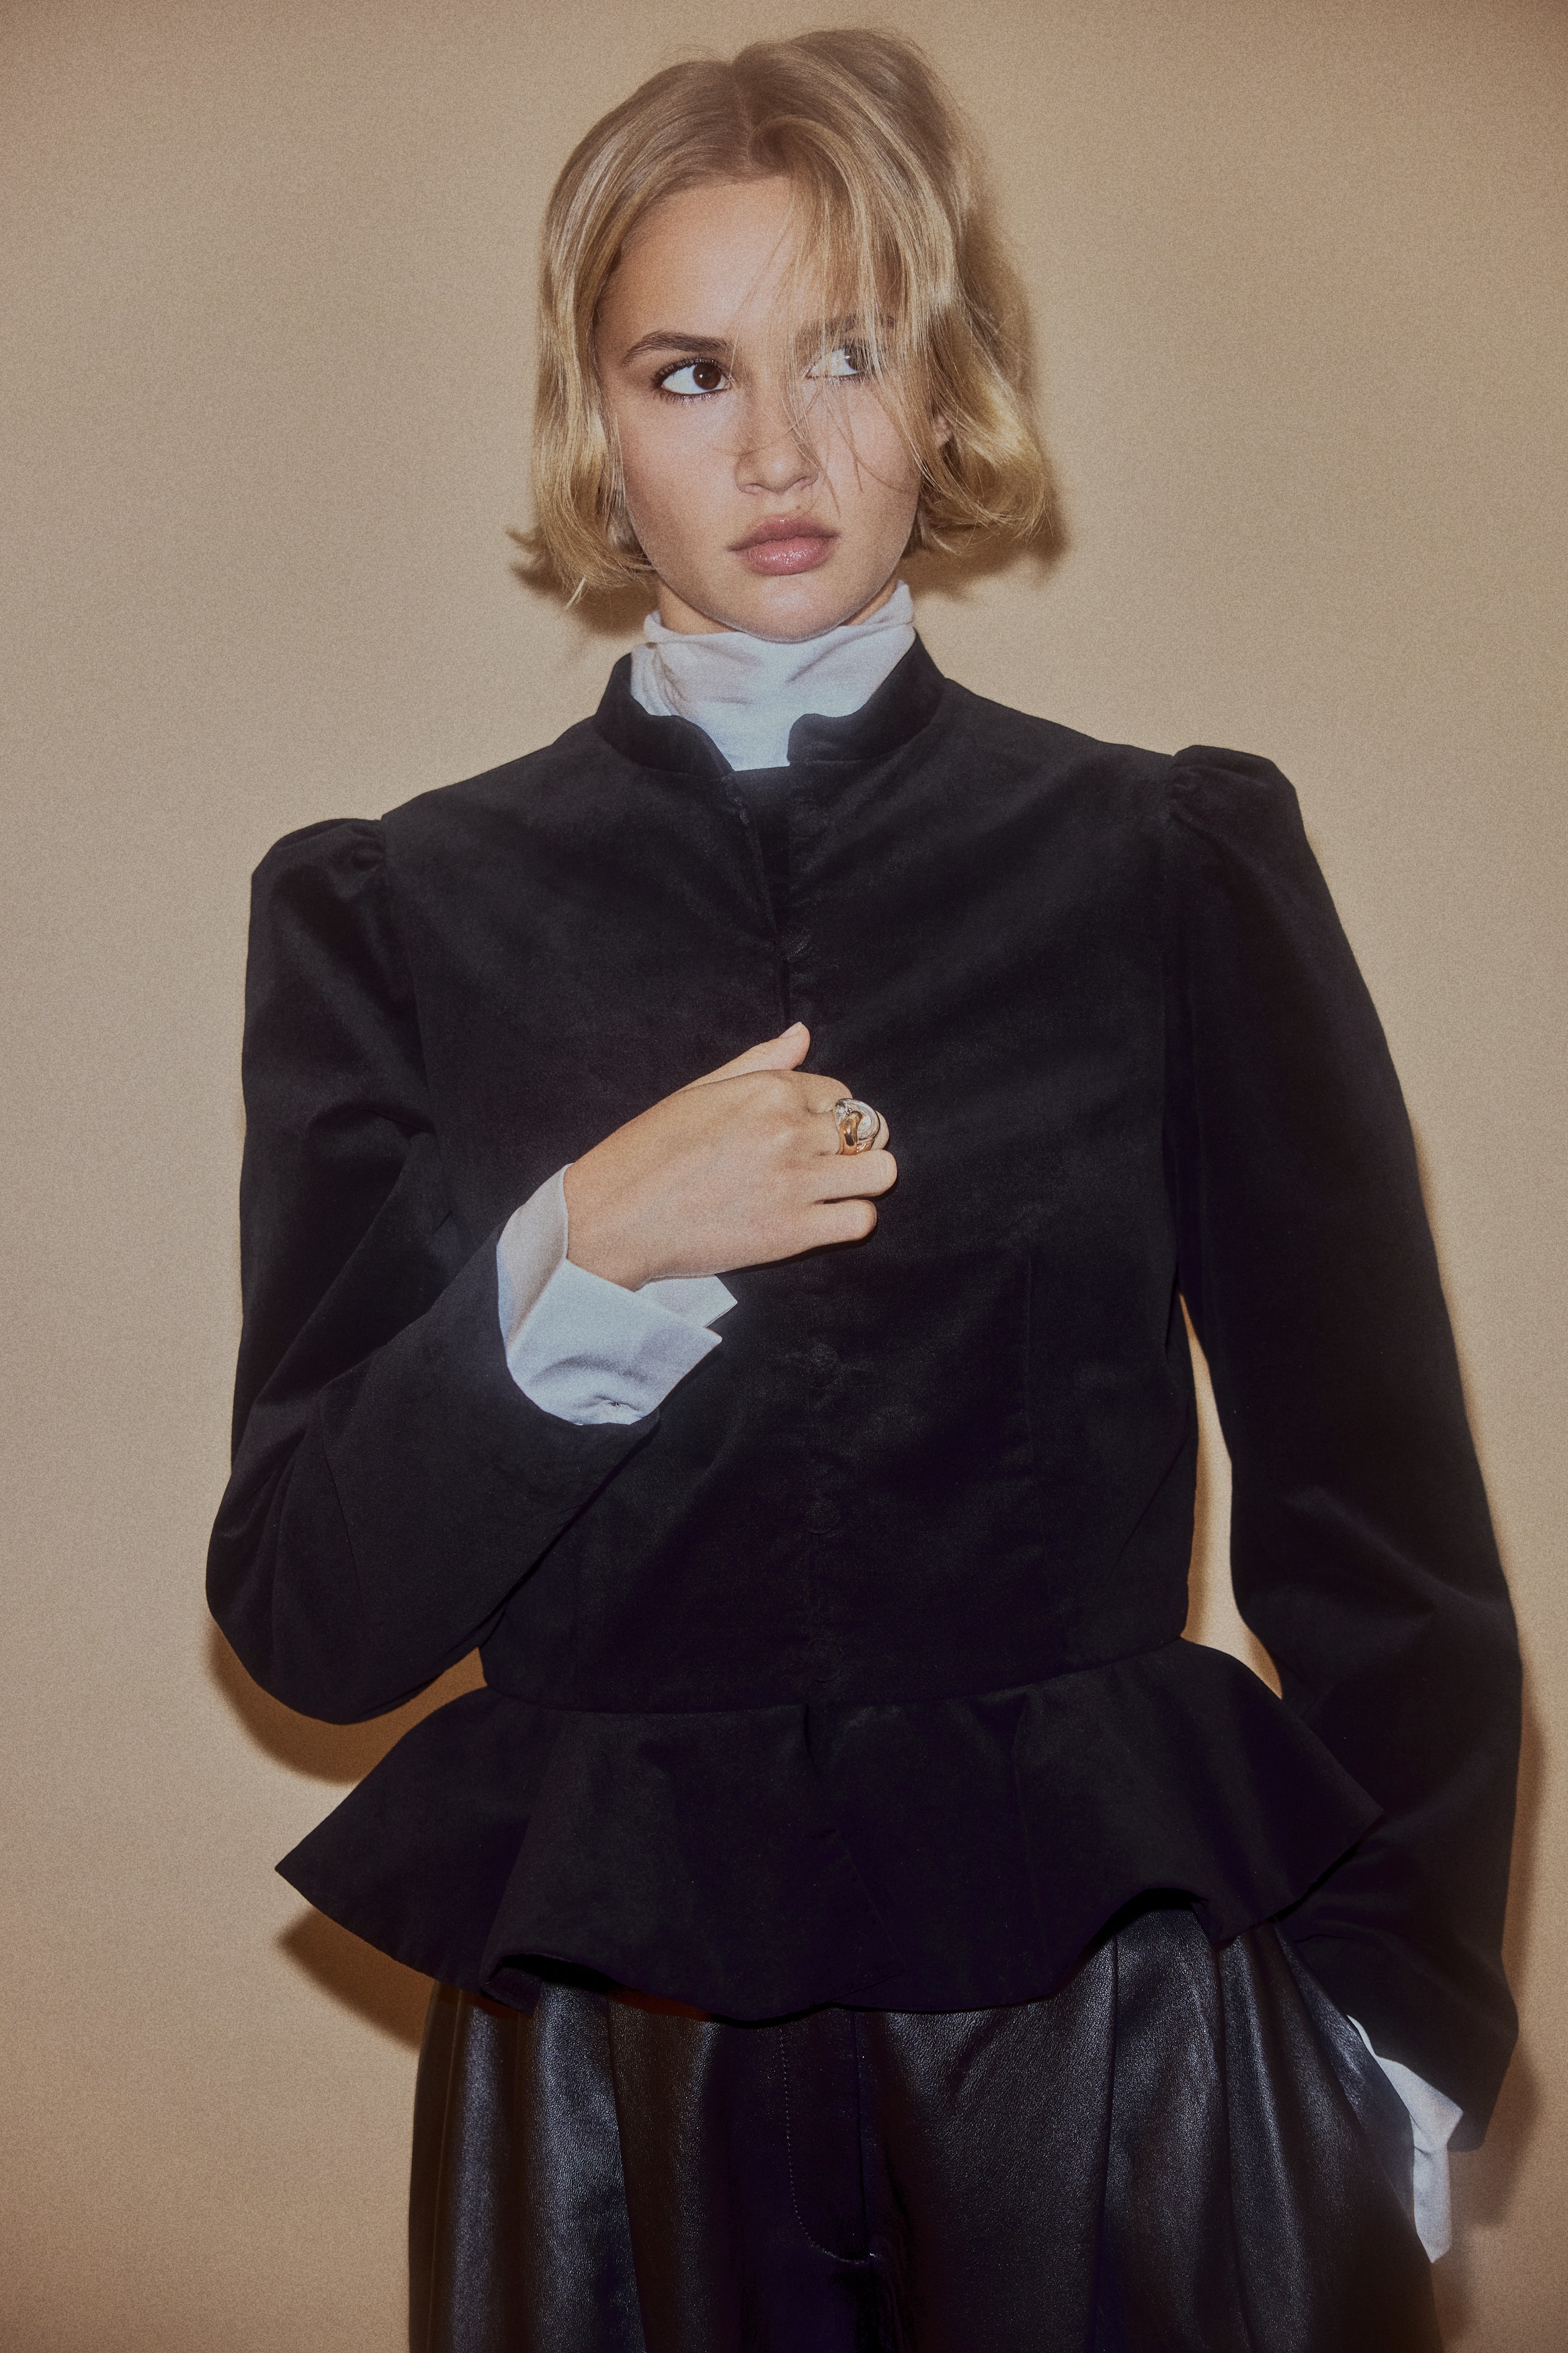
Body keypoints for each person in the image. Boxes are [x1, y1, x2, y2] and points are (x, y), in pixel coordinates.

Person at [208, 30, 1520, 2352]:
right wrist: (582, 1251)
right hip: (615, 2070)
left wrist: (1402, 2028)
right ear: (597, 420)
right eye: (691, 371)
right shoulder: (394, 918)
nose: (780, 450)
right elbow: (309, 1610)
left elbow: (1372, 1499)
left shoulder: (1164, 865)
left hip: (1117, 2037)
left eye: (846, 350)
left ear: (945, 378)